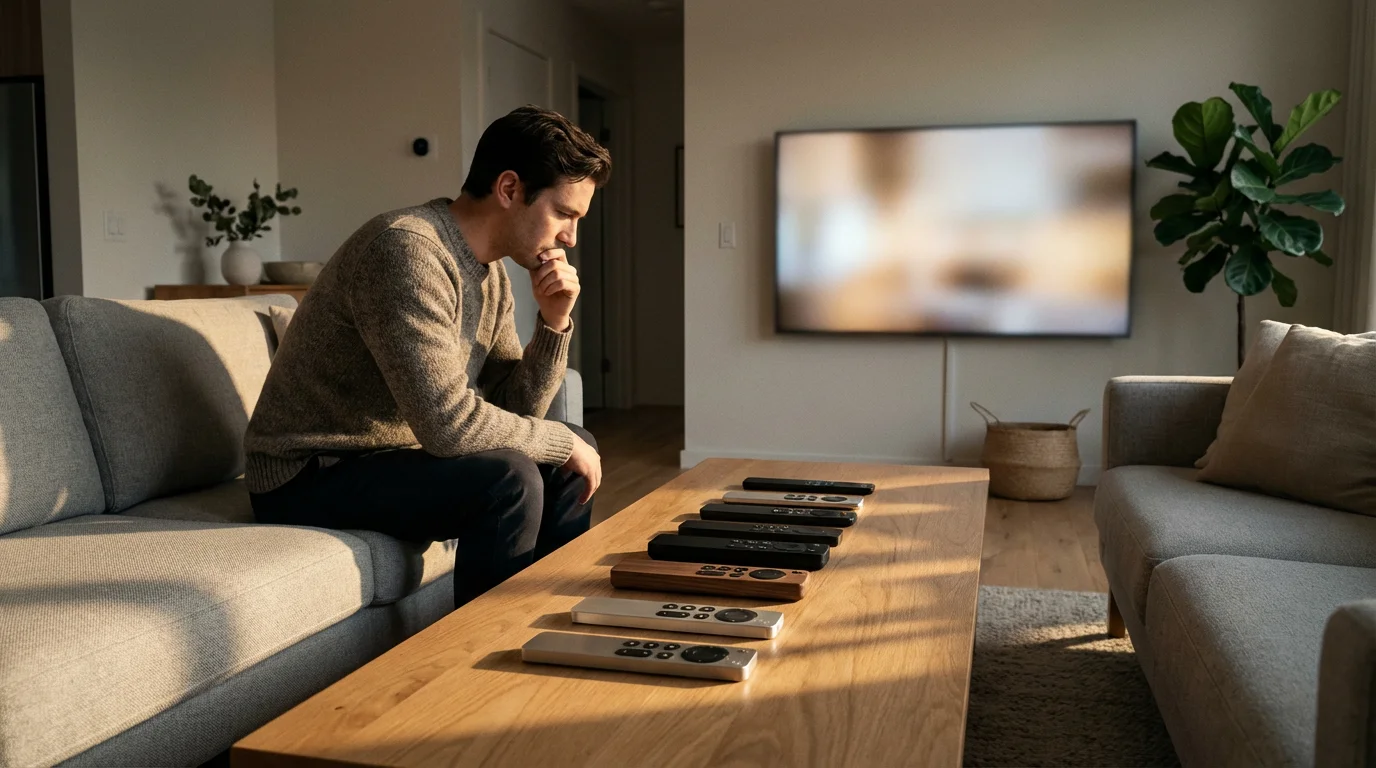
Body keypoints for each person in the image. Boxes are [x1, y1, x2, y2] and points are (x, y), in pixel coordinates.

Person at [245, 105, 609, 608]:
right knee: (513, 477)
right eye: (565, 214)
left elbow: (513, 409)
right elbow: (449, 425)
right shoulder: (405, 251)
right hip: (309, 470)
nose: (570, 237)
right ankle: (481, 662)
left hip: (390, 456)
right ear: (509, 189)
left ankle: (548, 625)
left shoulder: (492, 271)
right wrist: (553, 442)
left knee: (570, 447)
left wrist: (553, 324)